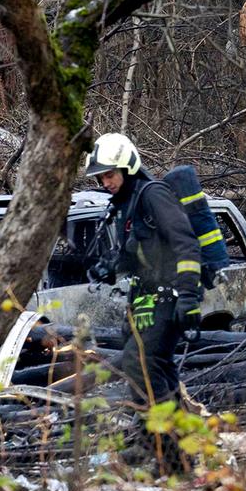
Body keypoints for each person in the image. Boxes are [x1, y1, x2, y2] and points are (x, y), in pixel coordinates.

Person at [80, 133, 203, 420]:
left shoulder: (153, 195)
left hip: (169, 298)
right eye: (100, 178)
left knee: (140, 364)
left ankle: (157, 435)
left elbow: (186, 242)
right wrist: (111, 267)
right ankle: (177, 434)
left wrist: (188, 295)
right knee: (157, 366)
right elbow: (140, 254)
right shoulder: (129, 203)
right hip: (145, 301)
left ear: (127, 167)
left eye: (109, 175)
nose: (105, 183)